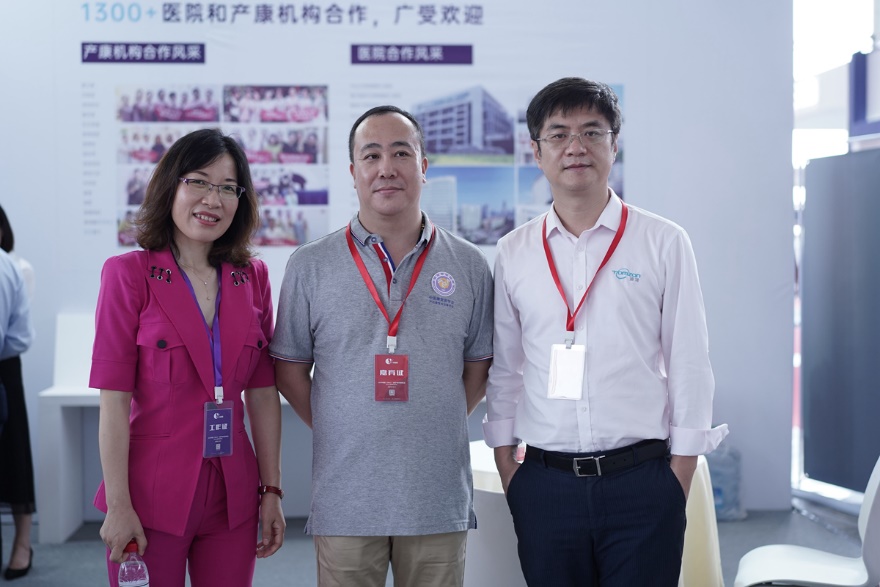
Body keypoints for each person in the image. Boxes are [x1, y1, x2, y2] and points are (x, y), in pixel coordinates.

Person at [483, 77, 729, 586]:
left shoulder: (663, 241)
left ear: (614, 145)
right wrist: (509, 469)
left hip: (643, 483)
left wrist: (678, 477)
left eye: (592, 132)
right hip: (545, 486)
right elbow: (506, 367)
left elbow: (688, 361)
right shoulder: (514, 251)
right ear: (537, 151)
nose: (576, 147)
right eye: (558, 134)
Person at [270, 105, 494, 587]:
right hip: (347, 497)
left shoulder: (469, 264)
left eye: (401, 153)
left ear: (423, 167)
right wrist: (343, 422)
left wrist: (432, 418)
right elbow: (288, 369)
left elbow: (478, 366)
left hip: (435, 496)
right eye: (371, 155)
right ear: (354, 172)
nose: (386, 168)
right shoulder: (311, 264)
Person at [91, 128, 285, 587]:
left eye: (227, 188)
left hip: (233, 493)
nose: (212, 199)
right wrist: (119, 505)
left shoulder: (252, 277)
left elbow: (262, 393)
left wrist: (271, 489)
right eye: (198, 181)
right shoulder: (128, 275)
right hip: (151, 493)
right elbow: (113, 401)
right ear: (170, 185)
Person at [0, 205, 35, 582]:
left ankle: (22, 544)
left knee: (14, 459)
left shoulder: (11, 266)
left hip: (5, 369)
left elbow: (15, 335)